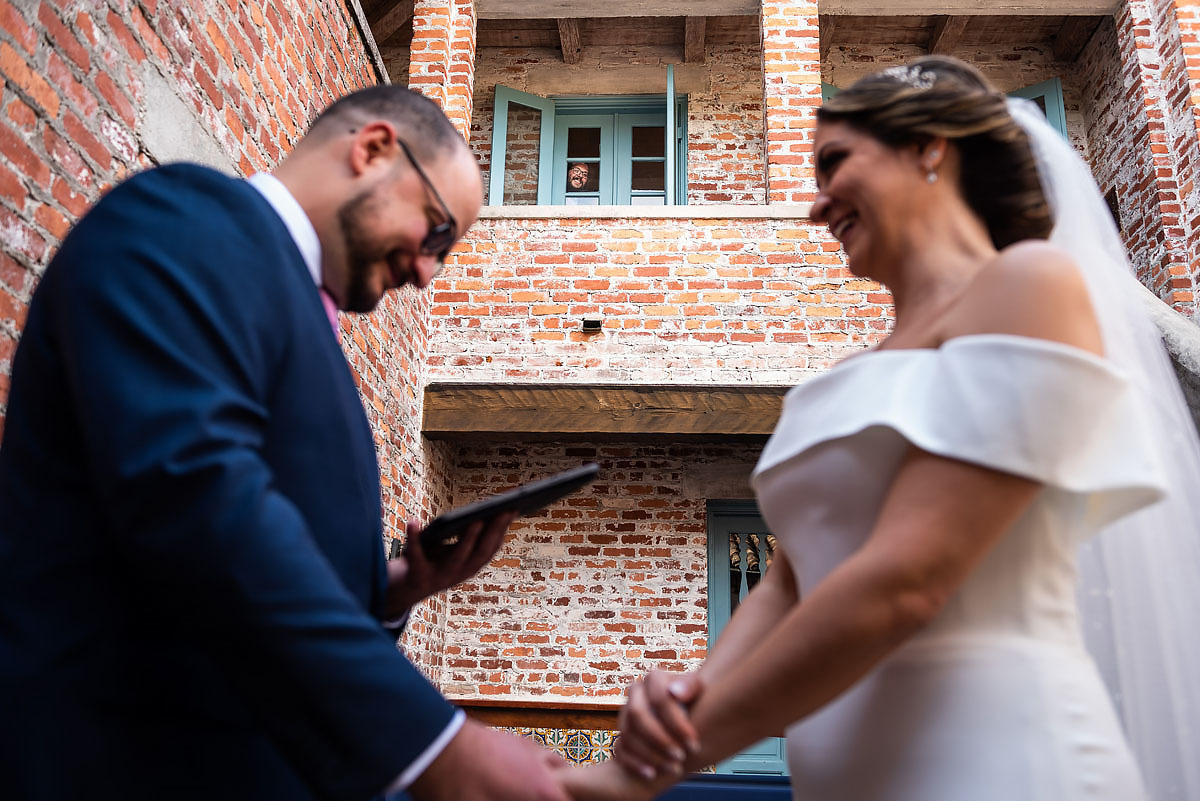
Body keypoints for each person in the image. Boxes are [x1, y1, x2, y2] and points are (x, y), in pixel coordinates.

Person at [559, 56, 1200, 801]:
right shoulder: (848, 374)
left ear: (928, 146)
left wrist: (645, 771)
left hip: (1000, 760)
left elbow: (908, 580)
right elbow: (791, 581)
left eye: (834, 164)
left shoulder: (1030, 284)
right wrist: (685, 702)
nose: (816, 205)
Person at [0, 86, 570, 801]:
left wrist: (390, 592)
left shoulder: (307, 323)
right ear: (373, 149)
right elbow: (198, 504)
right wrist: (434, 744)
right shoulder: (183, 219)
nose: (427, 272)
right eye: (435, 234)